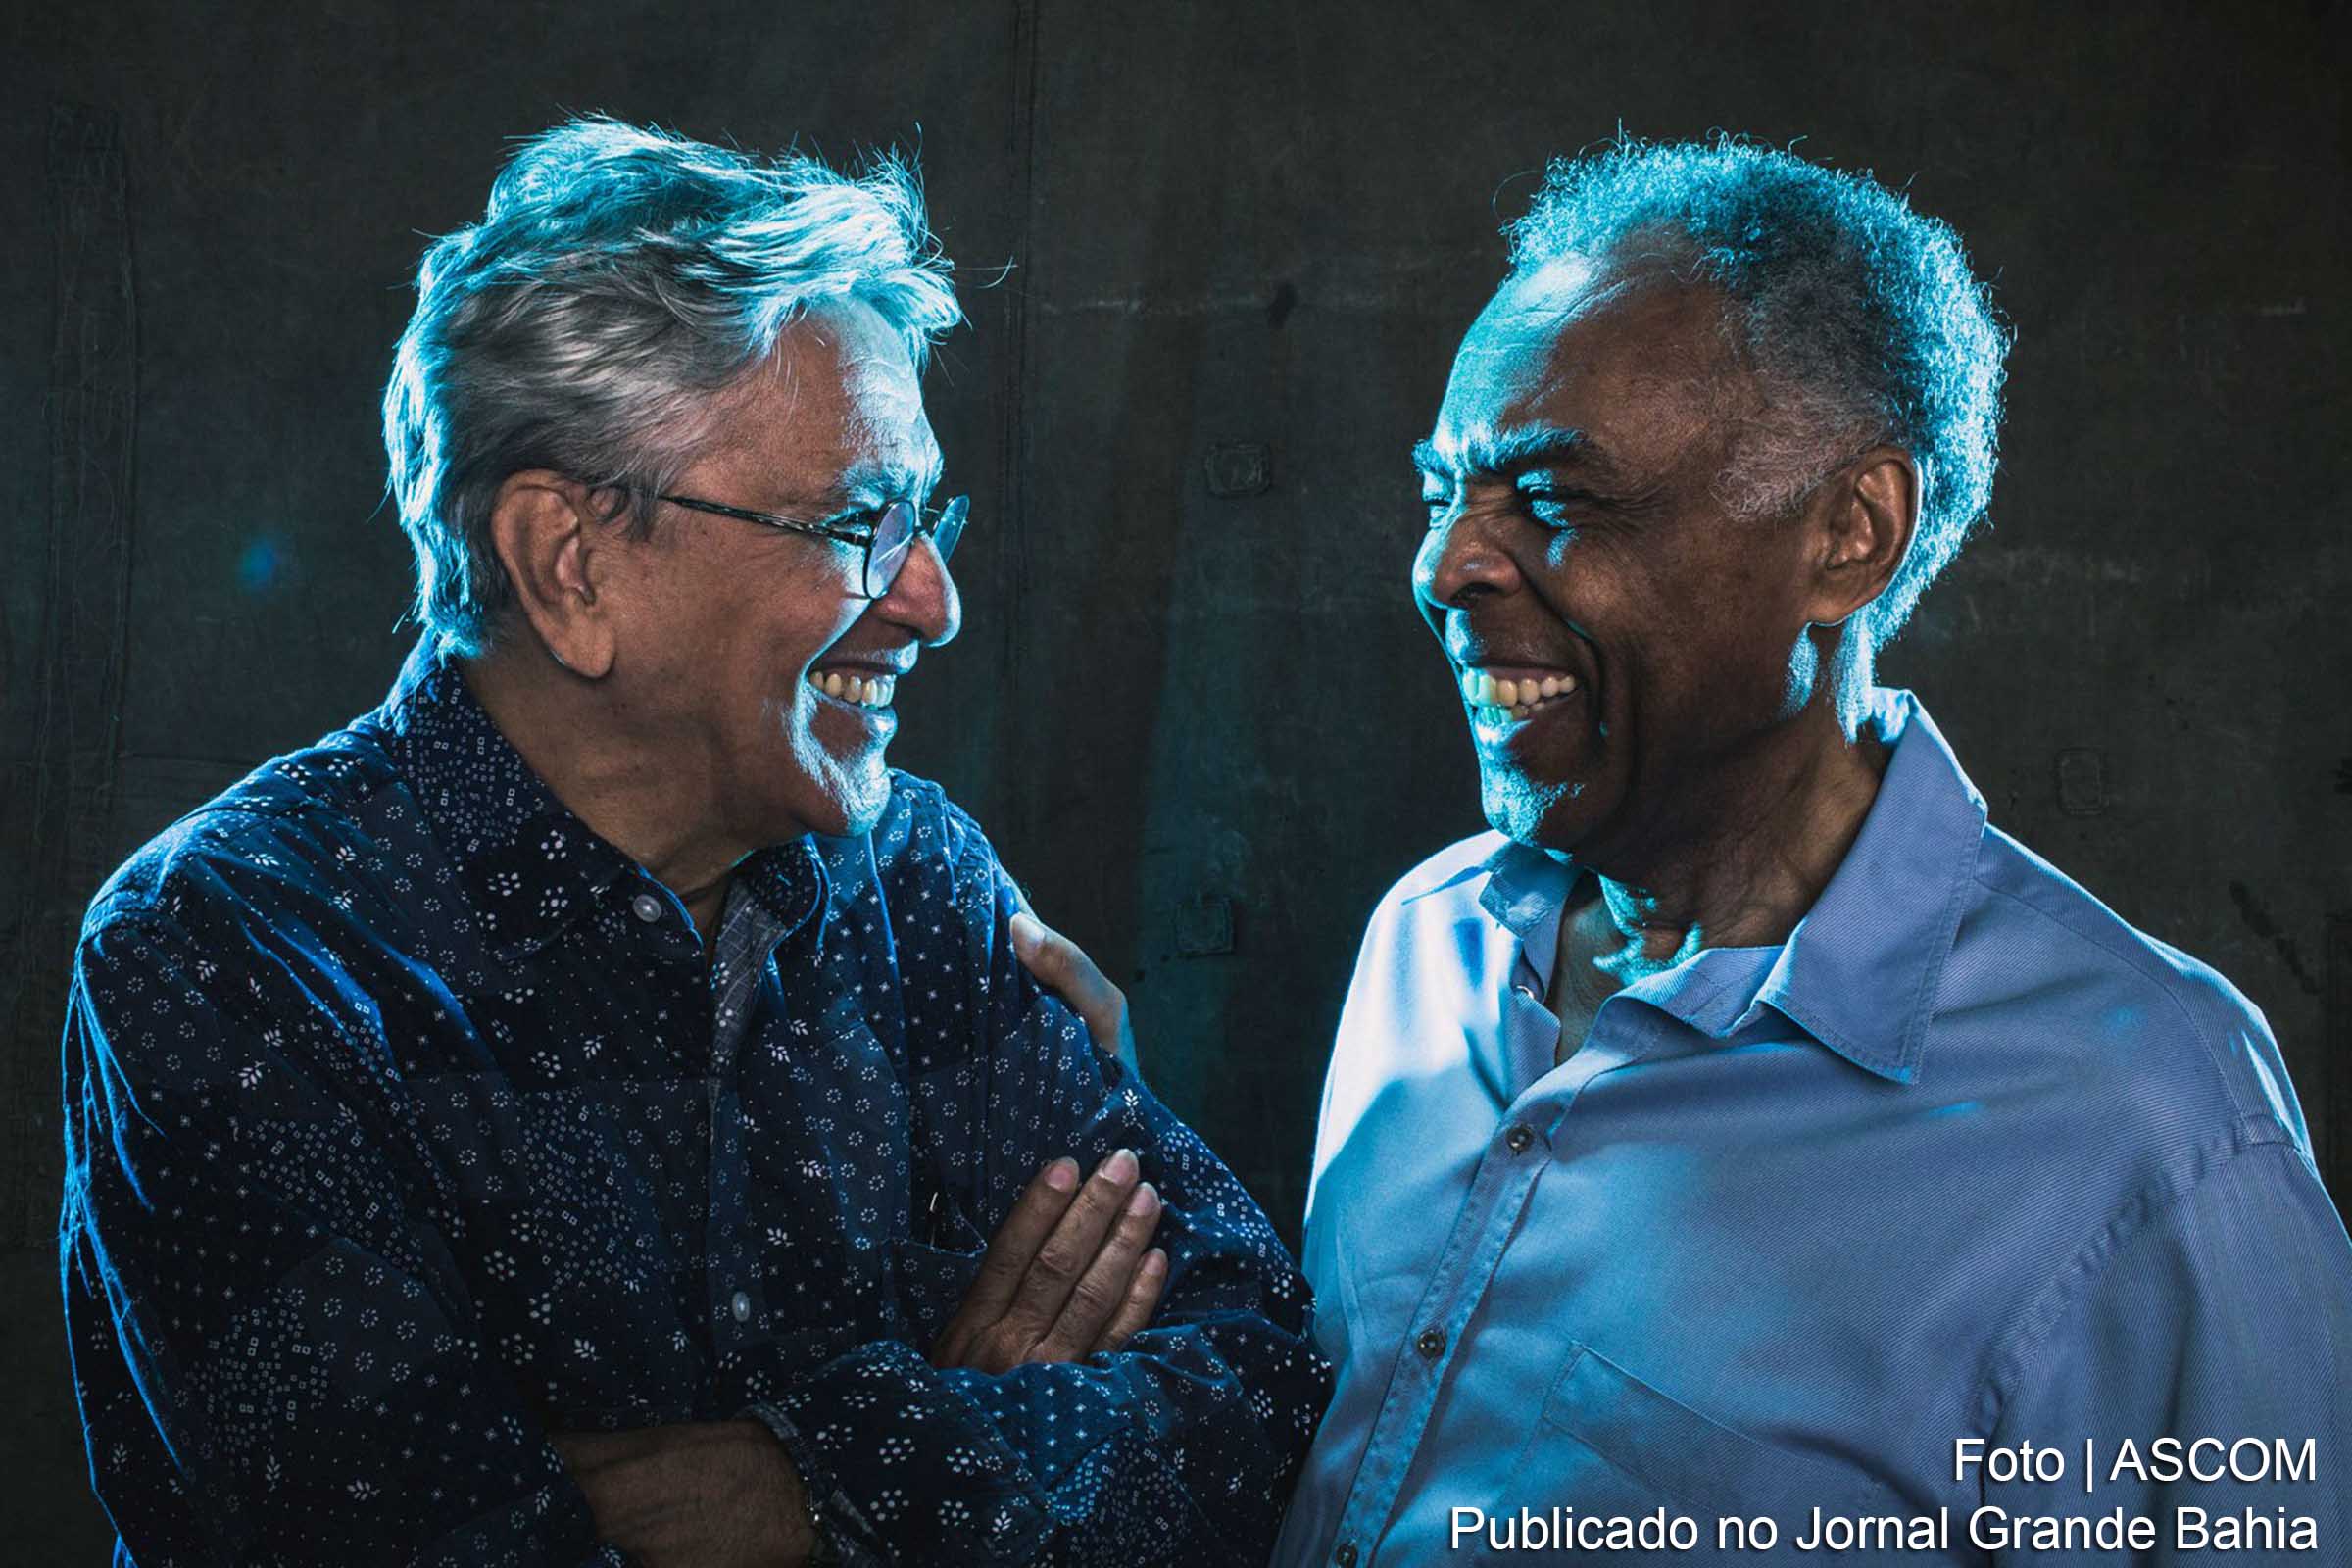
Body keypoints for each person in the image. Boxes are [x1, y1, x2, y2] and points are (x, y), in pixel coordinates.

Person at [58, 116, 1326, 1568]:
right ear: (572, 564)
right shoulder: (233, 956)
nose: (935, 602)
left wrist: (798, 1485)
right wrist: (977, 1444)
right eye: (861, 520)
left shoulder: (920, 874)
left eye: (928, 520)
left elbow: (1255, 1376)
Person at [1260, 137, 2352, 1565]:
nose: (1447, 566)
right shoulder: (1427, 942)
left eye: (1557, 499)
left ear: (1850, 536)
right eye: (1441, 492)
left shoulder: (2150, 1125)